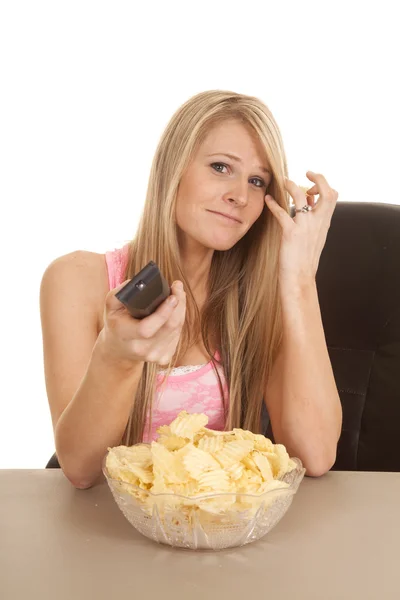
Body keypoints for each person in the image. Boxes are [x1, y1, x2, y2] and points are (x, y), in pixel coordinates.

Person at [40, 89, 342, 490]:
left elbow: (316, 454)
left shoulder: (256, 298)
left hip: (215, 531)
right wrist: (118, 357)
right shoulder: (77, 279)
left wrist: (300, 279)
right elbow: (79, 468)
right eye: (221, 167)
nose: (239, 195)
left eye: (257, 181)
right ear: (173, 167)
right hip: (108, 533)